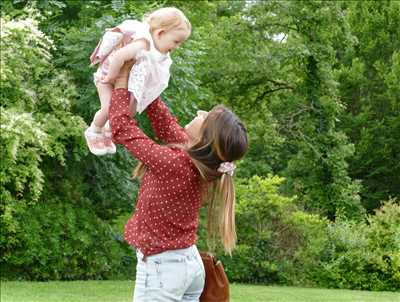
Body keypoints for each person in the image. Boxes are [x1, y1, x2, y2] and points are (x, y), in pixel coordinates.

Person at [108, 62, 249, 302]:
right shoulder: (200, 164)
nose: (200, 113)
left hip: (164, 268)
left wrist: (121, 79)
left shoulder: (174, 164)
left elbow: (122, 128)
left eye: (205, 117)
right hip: (188, 265)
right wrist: (145, 76)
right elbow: (163, 121)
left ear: (204, 138)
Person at [85, 7, 191, 155]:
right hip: (107, 80)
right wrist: (110, 76)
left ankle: (109, 129)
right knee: (109, 108)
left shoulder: (159, 52)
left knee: (130, 110)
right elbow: (119, 56)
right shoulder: (143, 42)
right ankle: (94, 131)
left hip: (120, 84)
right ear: (160, 33)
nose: (177, 46)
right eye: (176, 41)